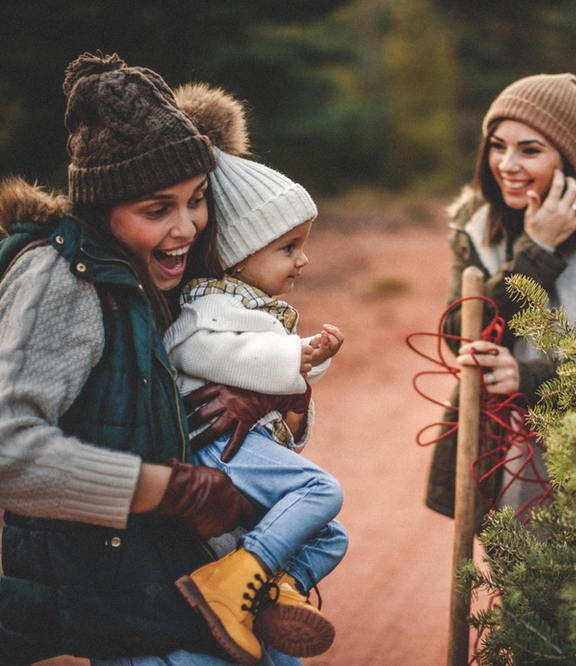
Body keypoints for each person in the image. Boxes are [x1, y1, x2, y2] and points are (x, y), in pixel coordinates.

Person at [0, 53, 294, 665]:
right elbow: (10, 453)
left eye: (197, 199)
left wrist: (267, 395)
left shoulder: (157, 269)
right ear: (102, 209)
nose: (186, 227)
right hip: (122, 601)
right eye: (157, 208)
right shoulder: (64, 280)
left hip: (176, 582)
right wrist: (177, 490)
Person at [425, 73, 576, 524]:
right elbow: (462, 339)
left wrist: (528, 376)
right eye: (498, 145)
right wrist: (535, 250)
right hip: (508, 450)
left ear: (567, 158)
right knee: (520, 582)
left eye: (530, 149)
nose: (507, 164)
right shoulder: (477, 224)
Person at [162, 83, 349, 664]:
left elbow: (276, 410)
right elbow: (194, 350)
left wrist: (296, 387)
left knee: (330, 535)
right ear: (239, 252)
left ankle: (267, 587)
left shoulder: (252, 306)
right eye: (289, 247)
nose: (303, 260)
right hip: (217, 451)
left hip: (244, 446)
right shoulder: (210, 301)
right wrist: (292, 359)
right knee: (322, 491)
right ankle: (235, 582)